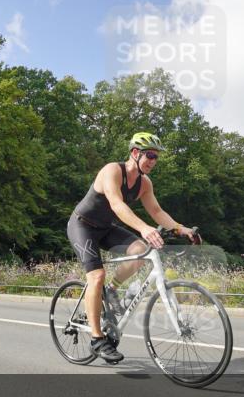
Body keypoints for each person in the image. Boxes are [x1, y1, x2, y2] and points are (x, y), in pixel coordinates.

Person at [67, 132, 199, 364]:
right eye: (150, 155)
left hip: (106, 228)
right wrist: (144, 228)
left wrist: (181, 229)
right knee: (96, 276)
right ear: (135, 153)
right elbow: (116, 204)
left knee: (140, 250)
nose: (153, 161)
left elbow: (157, 211)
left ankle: (111, 290)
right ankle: (97, 339)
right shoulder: (112, 171)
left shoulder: (144, 183)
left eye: (156, 157)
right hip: (82, 225)